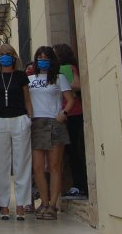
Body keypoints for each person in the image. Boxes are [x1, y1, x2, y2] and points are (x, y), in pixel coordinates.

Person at [28, 46, 76, 220]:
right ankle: (44, 202)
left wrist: (63, 114)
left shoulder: (59, 78)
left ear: (52, 60)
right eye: (39, 58)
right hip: (36, 124)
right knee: (38, 167)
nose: (42, 61)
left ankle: (53, 205)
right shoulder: (30, 79)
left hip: (54, 123)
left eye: (46, 58)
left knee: (55, 166)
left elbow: (70, 99)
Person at [0, 44, 32, 221]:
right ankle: (4, 205)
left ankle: (21, 204)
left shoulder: (21, 76)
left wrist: (30, 119)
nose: (5, 56)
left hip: (20, 119)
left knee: (22, 163)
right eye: (2, 54)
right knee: (1, 165)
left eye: (8, 54)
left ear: (14, 57)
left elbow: (27, 99)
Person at [54, 43, 87, 200]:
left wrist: (63, 84)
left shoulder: (68, 68)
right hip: (62, 115)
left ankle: (79, 186)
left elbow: (78, 85)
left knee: (74, 150)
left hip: (73, 114)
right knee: (67, 153)